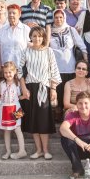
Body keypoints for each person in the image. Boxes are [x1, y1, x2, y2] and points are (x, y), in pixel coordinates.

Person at [18, 26, 61, 160]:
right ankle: (38, 150)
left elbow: (54, 70)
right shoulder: (26, 51)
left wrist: (53, 89)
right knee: (33, 120)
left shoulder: (49, 51)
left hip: (44, 88)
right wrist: (24, 89)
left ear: (43, 37)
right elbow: (19, 71)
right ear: (30, 37)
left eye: (39, 36)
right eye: (34, 36)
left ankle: (46, 150)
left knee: (43, 120)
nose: (37, 38)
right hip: (30, 88)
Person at [50, 9, 88, 121]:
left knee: (70, 95)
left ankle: (71, 115)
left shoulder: (71, 30)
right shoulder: (49, 31)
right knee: (58, 94)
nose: (58, 19)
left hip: (71, 69)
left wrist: (86, 62)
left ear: (64, 18)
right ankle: (58, 115)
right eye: (56, 17)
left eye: (61, 17)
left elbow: (82, 46)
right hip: (56, 70)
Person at [0, 61, 27, 159]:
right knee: (6, 131)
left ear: (14, 72)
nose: (8, 74)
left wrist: (21, 97)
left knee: (18, 129)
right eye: (5, 72)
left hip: (16, 108)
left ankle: (22, 150)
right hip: (5, 108)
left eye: (10, 72)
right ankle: (8, 151)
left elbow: (23, 95)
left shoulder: (18, 83)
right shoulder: (1, 84)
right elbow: (0, 96)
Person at [0, 4, 31, 68]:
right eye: (9, 13)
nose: (11, 15)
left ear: (19, 15)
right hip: (6, 69)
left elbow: (31, 48)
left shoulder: (26, 29)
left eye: (14, 13)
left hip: (21, 68)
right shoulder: (3, 30)